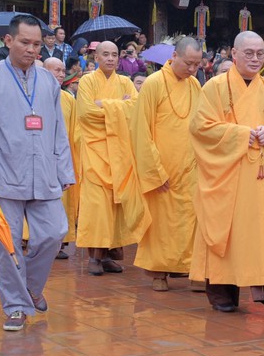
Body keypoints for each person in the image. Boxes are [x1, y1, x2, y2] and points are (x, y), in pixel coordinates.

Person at [0, 15, 75, 331]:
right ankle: (15, 306)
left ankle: (28, 288)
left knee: (55, 232)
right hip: (2, 175)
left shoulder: (47, 81)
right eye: (25, 42)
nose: (31, 49)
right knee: (6, 244)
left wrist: (64, 169)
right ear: (8, 41)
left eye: (37, 44)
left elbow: (58, 129)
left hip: (43, 173)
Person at [189, 31, 264, 317]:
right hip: (227, 175)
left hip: (259, 176)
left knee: (262, 234)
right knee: (225, 232)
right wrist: (243, 135)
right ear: (234, 54)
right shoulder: (215, 87)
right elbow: (201, 128)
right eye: (249, 53)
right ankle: (222, 290)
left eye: (260, 53)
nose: (255, 59)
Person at [131, 37, 202, 291]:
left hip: (190, 167)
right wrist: (154, 170)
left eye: (197, 64)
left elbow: (201, 125)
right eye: (188, 63)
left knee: (190, 220)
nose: (192, 69)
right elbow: (141, 129)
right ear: (174, 56)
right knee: (161, 223)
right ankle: (158, 273)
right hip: (162, 169)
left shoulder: (195, 84)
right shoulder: (153, 83)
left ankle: (191, 269)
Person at [76, 41, 149, 275]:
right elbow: (87, 114)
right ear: (96, 57)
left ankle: (109, 255)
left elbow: (135, 111)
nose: (110, 58)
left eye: (114, 55)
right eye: (105, 54)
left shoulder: (125, 82)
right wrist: (120, 105)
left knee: (116, 205)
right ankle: (94, 257)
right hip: (95, 150)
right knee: (97, 206)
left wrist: (104, 105)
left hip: (119, 151)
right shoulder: (87, 81)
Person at [43, 58, 80, 260]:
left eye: (62, 70)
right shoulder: (34, 95)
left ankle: (59, 242)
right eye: (55, 70)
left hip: (61, 159)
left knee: (61, 202)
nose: (60, 74)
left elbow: (75, 131)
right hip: (40, 158)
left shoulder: (68, 99)